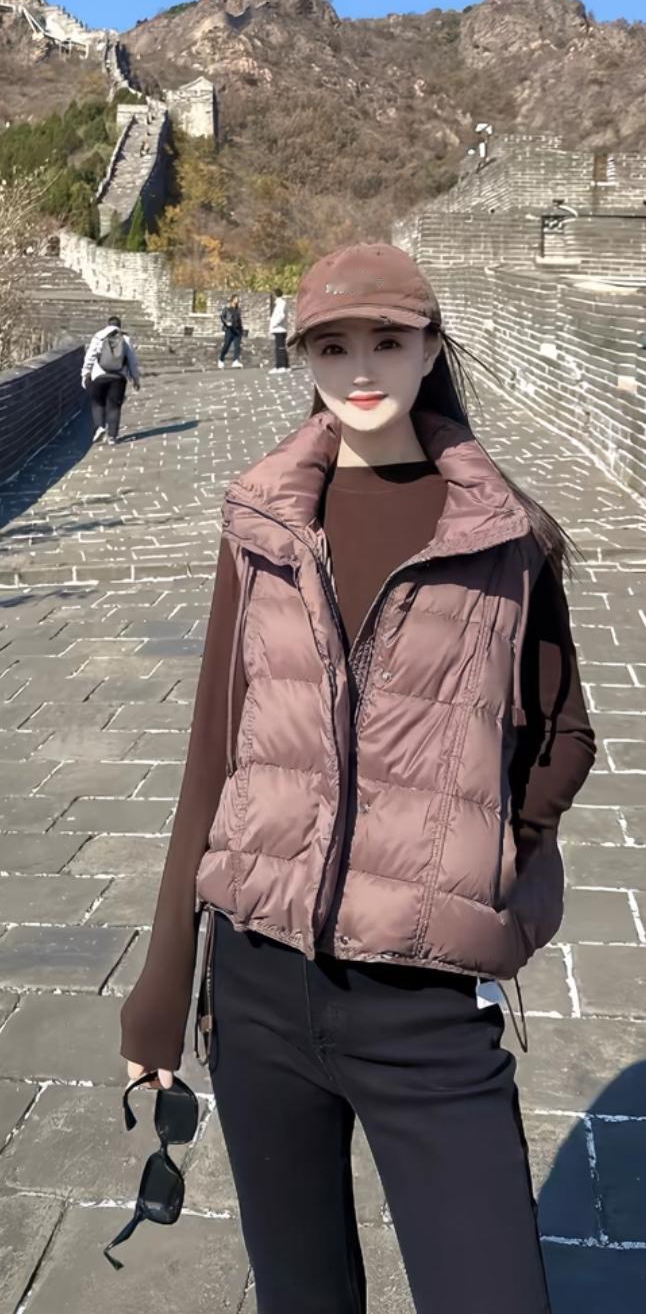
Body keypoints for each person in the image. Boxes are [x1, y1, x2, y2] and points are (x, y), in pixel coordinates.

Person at [120, 241, 596, 1313]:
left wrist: (493, 853)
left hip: (423, 1004)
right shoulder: (264, 521)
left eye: (387, 340)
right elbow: (213, 749)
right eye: (333, 346)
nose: (363, 368)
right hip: (257, 991)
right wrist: (163, 988)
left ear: (432, 349)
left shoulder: (505, 536)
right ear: (305, 359)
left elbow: (565, 733)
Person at [81, 314, 140, 446]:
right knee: (114, 406)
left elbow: (90, 356)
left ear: (107, 325)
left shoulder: (98, 337)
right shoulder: (125, 339)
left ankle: (100, 426)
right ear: (119, 326)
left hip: (99, 376)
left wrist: (85, 373)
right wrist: (135, 379)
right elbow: (132, 361)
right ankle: (112, 437)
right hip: (119, 377)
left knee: (97, 403)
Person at [218, 295, 244, 368]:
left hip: (237, 330)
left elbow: (239, 320)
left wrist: (241, 329)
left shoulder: (238, 309)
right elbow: (222, 317)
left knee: (237, 346)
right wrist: (226, 323)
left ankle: (235, 361)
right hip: (230, 329)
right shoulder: (227, 308)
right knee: (226, 345)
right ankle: (221, 359)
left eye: (238, 299)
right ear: (232, 300)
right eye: (236, 299)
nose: (237, 300)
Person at [268, 286, 289, 371]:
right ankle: (284, 366)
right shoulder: (280, 304)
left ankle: (281, 366)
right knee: (280, 348)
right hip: (279, 329)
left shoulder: (281, 304)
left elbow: (281, 316)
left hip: (279, 329)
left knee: (280, 348)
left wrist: (274, 324)